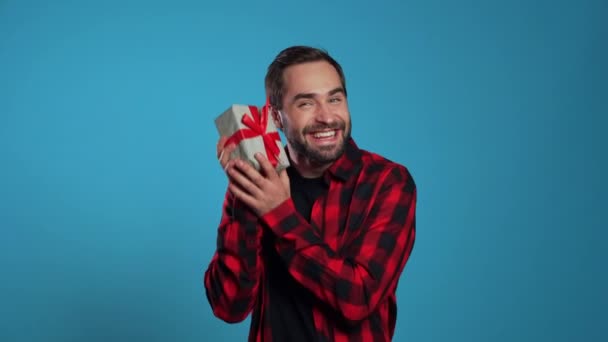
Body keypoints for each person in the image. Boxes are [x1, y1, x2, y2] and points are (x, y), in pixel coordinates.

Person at [204, 45, 417, 342]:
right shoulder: (260, 184)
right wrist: (245, 195)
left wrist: (278, 214)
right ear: (276, 117)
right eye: (306, 103)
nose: (327, 117)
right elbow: (229, 305)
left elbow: (358, 297)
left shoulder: (387, 182)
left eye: (335, 99)